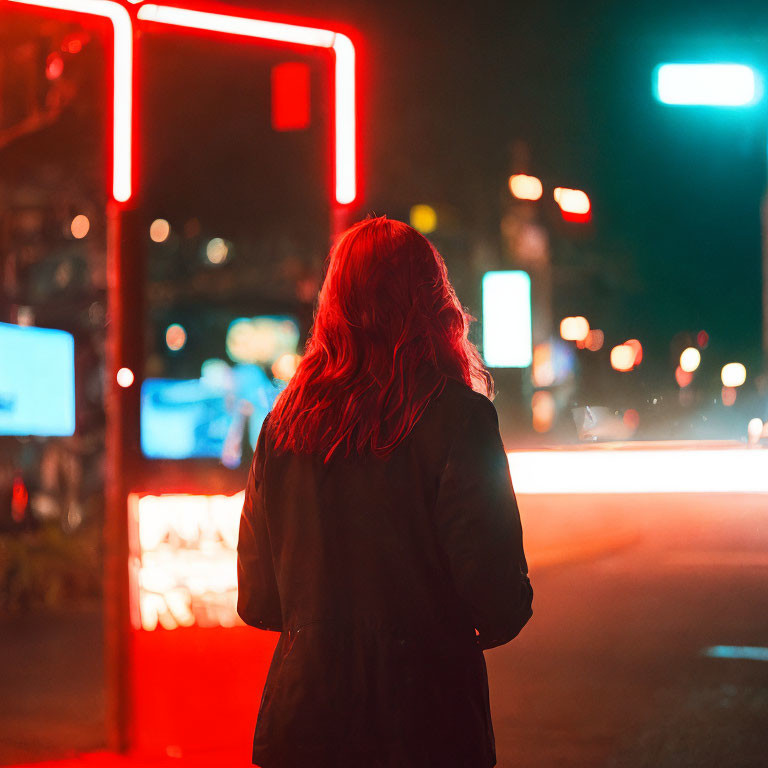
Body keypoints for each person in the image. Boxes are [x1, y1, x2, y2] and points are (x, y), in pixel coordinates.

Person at [237, 216, 533, 768]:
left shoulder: (285, 424)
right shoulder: (458, 420)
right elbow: (499, 603)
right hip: (427, 726)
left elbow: (257, 598)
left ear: (333, 306)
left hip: (305, 726)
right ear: (433, 304)